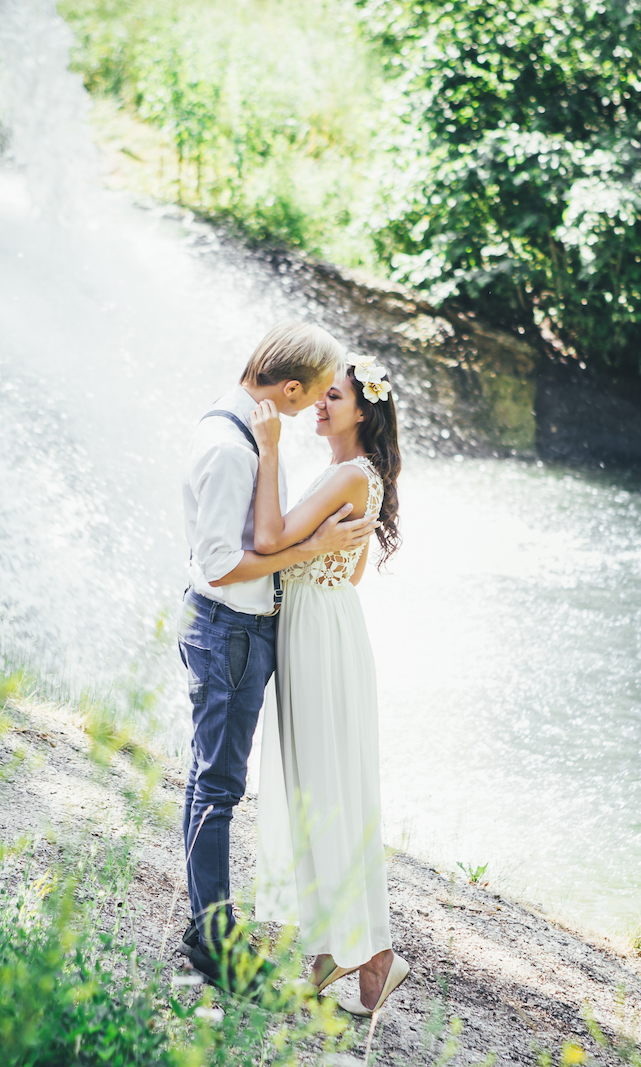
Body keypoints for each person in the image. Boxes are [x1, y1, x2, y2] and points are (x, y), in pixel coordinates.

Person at [177, 322, 376, 994]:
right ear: (290, 387)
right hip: (230, 628)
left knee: (210, 780)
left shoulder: (242, 429)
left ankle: (207, 926)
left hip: (237, 628)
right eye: (315, 392)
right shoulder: (237, 448)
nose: (315, 405)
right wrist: (310, 549)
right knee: (219, 787)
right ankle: (213, 940)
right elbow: (225, 561)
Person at [250, 354, 410, 1016]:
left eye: (333, 397)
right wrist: (308, 574)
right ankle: (357, 958)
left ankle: (359, 955)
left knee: (325, 788)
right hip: (331, 626)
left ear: (362, 410)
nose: (319, 403)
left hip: (319, 635)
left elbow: (270, 537)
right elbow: (348, 575)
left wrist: (267, 449)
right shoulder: (362, 476)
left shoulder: (347, 474)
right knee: (331, 788)